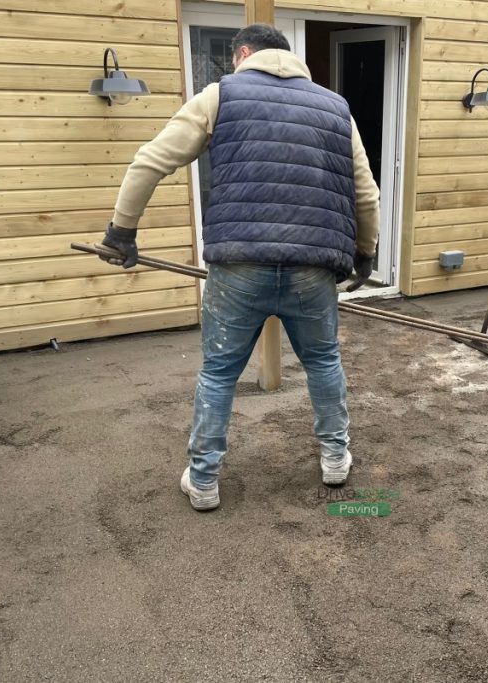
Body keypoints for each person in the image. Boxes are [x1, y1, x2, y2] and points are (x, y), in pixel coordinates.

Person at [100, 24, 380, 511]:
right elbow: (366, 193)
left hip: (238, 268)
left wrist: (122, 232)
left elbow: (148, 163)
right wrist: (365, 252)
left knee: (219, 373)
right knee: (322, 363)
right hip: (312, 269)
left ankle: (204, 481)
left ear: (244, 54)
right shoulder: (337, 109)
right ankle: (335, 459)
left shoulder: (220, 95)